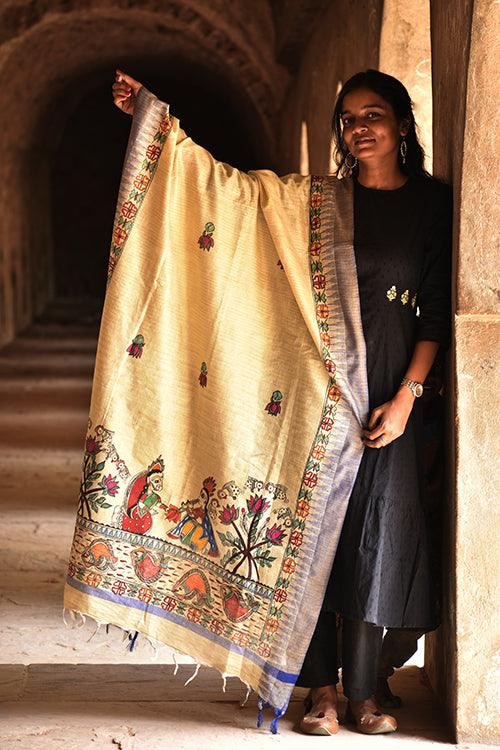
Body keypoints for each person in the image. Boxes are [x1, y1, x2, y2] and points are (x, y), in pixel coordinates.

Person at [111, 68, 452, 736]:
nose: (359, 128)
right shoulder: (316, 202)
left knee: (372, 541)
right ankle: (319, 693)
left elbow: (438, 314)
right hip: (315, 398)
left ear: (403, 125)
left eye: (374, 115)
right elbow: (233, 199)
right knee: (314, 544)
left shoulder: (431, 208)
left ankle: (364, 692)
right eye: (349, 118)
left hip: (392, 398)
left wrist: (408, 398)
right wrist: (159, 126)